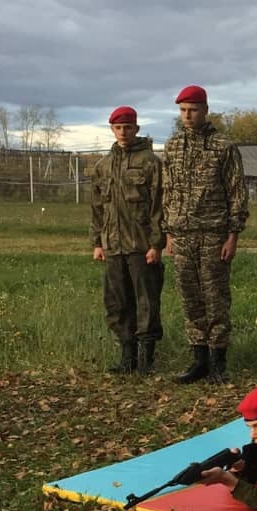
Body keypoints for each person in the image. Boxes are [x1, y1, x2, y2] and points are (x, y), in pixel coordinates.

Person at [162, 85, 249, 384]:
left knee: (215, 298)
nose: (188, 115)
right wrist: (168, 232)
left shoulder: (223, 146)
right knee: (190, 298)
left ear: (205, 110)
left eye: (193, 110)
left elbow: (237, 191)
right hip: (182, 233)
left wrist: (233, 234)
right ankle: (198, 359)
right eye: (183, 110)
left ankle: (218, 362)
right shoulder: (172, 146)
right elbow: (168, 189)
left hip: (214, 233)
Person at [88, 106, 165, 375]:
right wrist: (97, 242)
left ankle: (146, 360)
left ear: (136, 128)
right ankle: (127, 357)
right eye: (118, 127)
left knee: (146, 301)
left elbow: (158, 206)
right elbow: (97, 208)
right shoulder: (102, 166)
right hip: (112, 246)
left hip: (141, 245)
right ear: (112, 129)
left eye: (128, 127)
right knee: (117, 302)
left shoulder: (151, 163)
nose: (123, 132)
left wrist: (157, 244)